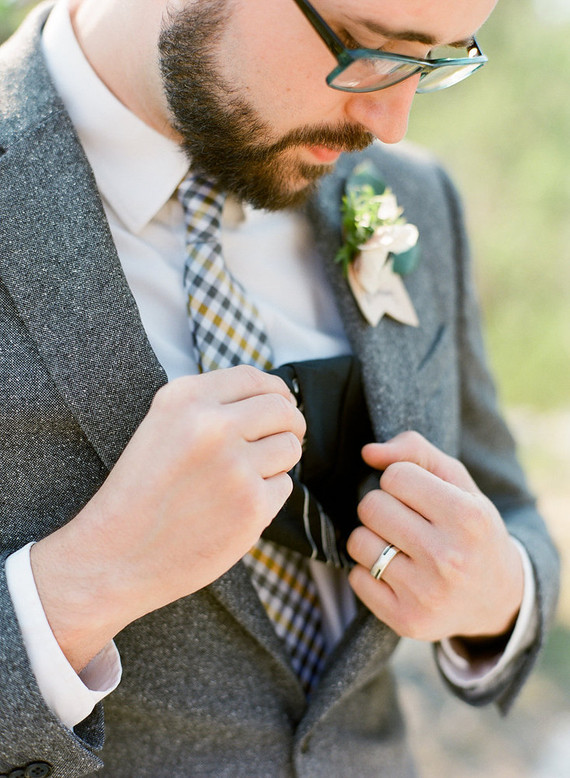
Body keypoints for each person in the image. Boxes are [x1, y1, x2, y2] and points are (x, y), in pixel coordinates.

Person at [0, 0, 559, 775]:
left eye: (433, 59)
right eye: (364, 45)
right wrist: (86, 585)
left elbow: (509, 508)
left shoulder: (415, 199)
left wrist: (498, 595)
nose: (390, 121)